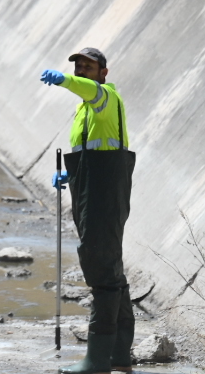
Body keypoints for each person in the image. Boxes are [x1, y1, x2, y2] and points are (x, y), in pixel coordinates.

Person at [42, 46, 135, 373]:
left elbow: (88, 90)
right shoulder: (85, 110)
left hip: (105, 193)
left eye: (88, 66)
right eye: (78, 66)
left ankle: (97, 360)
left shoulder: (104, 96)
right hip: (93, 188)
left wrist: (64, 79)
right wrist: (70, 174)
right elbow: (96, 149)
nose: (82, 70)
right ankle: (120, 355)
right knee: (111, 268)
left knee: (100, 269)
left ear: (103, 73)